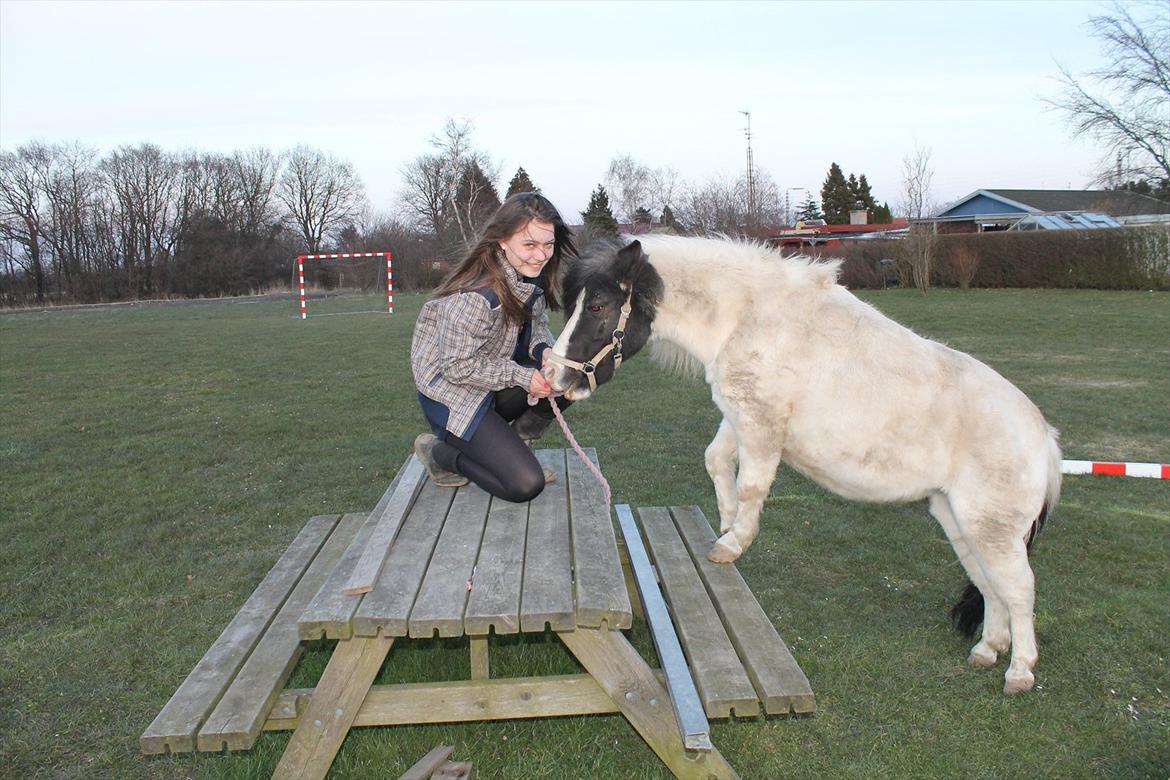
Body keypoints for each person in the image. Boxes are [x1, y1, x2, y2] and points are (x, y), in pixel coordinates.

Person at [410, 192, 575, 502]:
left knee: (569, 377)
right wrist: (525, 378)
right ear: (502, 240)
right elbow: (458, 367)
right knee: (525, 484)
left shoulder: (528, 278)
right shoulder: (476, 296)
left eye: (548, 244)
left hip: (492, 382)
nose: (541, 255)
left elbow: (536, 330)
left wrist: (546, 354)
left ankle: (514, 445)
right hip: (451, 395)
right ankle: (440, 454)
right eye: (529, 245)